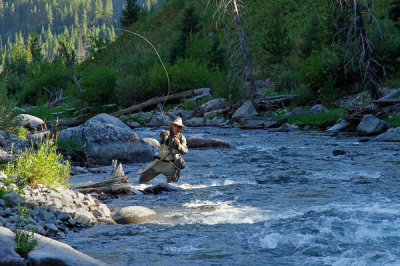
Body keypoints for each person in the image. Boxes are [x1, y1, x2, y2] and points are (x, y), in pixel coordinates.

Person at [139, 117, 188, 183]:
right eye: (175, 126)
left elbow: (185, 151)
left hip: (171, 165)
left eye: (179, 127)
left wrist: (179, 144)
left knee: (172, 187)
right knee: (142, 181)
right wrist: (165, 133)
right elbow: (161, 134)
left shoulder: (182, 138)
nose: (177, 128)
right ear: (172, 126)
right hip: (158, 162)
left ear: (180, 128)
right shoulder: (166, 133)